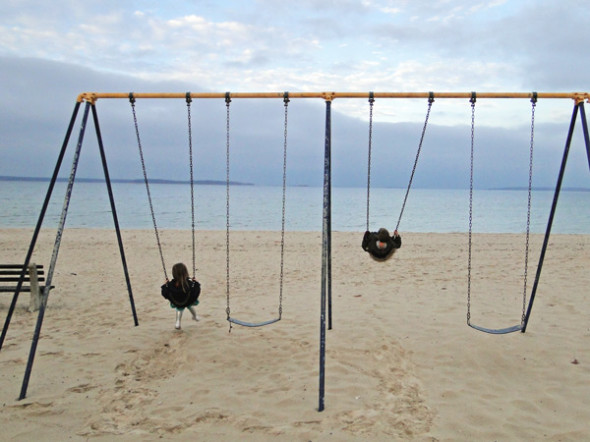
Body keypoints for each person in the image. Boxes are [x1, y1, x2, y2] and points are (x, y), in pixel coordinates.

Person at [161, 263, 201, 330]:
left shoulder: (170, 285)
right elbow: (196, 291)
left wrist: (165, 285)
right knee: (190, 306)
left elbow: (165, 293)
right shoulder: (189, 284)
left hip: (177, 302)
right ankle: (195, 316)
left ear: (173, 274)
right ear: (185, 272)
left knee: (179, 308)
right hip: (188, 301)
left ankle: (178, 323)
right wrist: (196, 283)